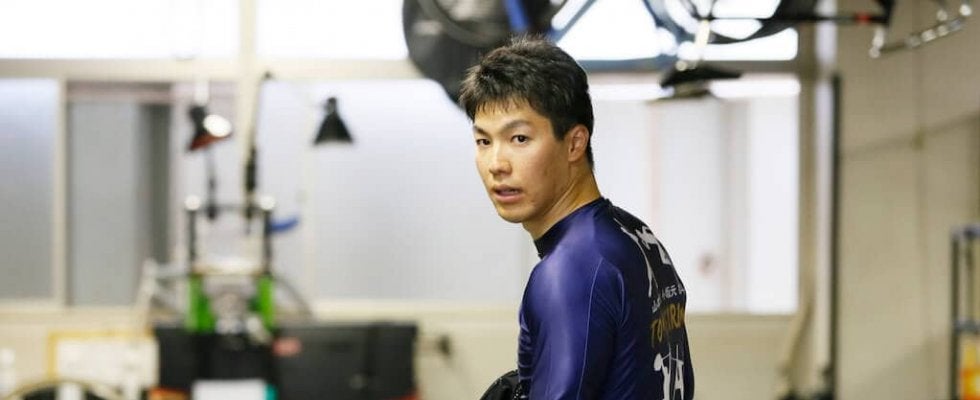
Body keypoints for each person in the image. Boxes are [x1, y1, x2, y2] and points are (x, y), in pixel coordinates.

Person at [459, 36, 695, 400]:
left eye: (519, 138)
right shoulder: (634, 234)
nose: (496, 164)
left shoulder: (570, 270)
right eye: (484, 141)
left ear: (574, 143)